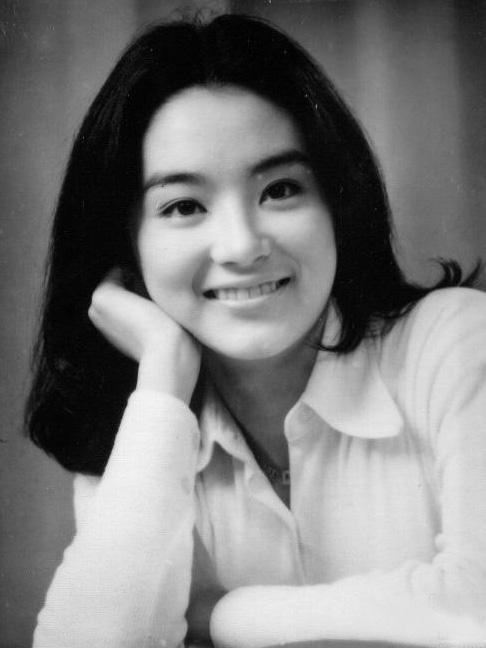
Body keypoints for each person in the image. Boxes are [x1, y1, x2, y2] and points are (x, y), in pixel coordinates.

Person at [26, 12, 486, 648]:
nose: (242, 245)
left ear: (338, 204)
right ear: (127, 247)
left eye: (281, 189)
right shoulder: (143, 423)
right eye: (184, 206)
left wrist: (219, 615)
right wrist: (161, 372)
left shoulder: (457, 342)